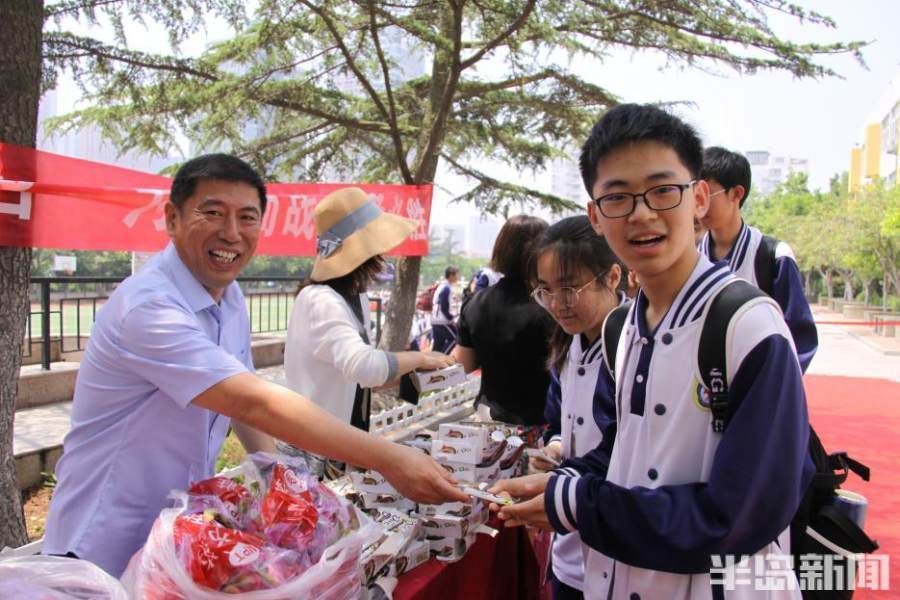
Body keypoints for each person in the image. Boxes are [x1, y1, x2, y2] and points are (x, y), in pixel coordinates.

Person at [43, 155, 467, 577]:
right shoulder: (149, 306)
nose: (231, 233)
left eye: (247, 218)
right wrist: (388, 458)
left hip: (173, 537)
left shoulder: (228, 298)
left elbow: (240, 402)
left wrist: (279, 480)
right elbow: (252, 401)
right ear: (172, 218)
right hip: (102, 542)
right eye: (212, 213)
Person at [492, 105, 813, 599]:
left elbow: (735, 518)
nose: (642, 214)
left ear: (699, 198)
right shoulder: (622, 328)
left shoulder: (749, 328)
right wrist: (561, 482)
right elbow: (621, 452)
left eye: (663, 190)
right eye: (618, 197)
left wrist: (578, 503)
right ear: (596, 216)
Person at [283, 187, 455, 437]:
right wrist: (419, 358)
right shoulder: (321, 300)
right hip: (317, 450)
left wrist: (414, 369)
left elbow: (362, 379)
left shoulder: (352, 297)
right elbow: (365, 367)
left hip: (339, 441)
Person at [527, 215, 621, 599]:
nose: (556, 304)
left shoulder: (632, 350)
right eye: (545, 290)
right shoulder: (569, 344)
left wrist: (558, 483)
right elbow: (559, 421)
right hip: (568, 550)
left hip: (615, 548)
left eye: (569, 288)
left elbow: (624, 447)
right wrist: (554, 447)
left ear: (612, 277)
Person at [699, 146, 818, 371]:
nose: (700, 203)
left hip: (757, 386)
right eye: (695, 193)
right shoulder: (691, 257)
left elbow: (800, 338)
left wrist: (775, 386)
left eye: (708, 194)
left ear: (736, 194)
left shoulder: (773, 256)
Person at [450, 215, 553, 425]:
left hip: (489, 419)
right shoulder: (552, 306)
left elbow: (464, 364)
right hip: (540, 424)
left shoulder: (475, 302)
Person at [431, 266, 459, 353]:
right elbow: (444, 306)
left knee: (438, 345)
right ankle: (442, 358)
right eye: (456, 275)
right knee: (455, 338)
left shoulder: (442, 286)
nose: (457, 277)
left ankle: (433, 365)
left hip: (435, 319)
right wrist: (450, 318)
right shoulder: (446, 288)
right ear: (451, 275)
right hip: (442, 320)